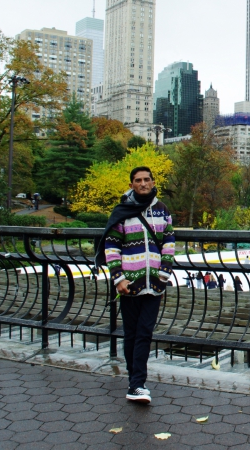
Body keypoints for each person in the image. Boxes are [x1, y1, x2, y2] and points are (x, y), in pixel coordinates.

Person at [99, 166, 175, 404]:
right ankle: (136, 383)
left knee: (145, 332)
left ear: (153, 182)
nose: (143, 183)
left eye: (147, 179)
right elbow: (111, 247)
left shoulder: (162, 210)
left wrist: (164, 273)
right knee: (131, 334)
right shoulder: (122, 211)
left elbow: (169, 242)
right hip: (129, 283)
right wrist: (118, 278)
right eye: (138, 180)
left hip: (154, 283)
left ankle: (137, 384)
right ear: (131, 184)